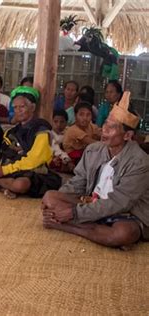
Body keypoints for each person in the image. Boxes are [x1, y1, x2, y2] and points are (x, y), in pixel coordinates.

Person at [42, 92, 149, 249]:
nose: (104, 130)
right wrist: (60, 203)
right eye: (105, 124)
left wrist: (74, 213)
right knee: (50, 197)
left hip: (127, 213)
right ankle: (95, 230)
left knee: (123, 233)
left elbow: (119, 202)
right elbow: (78, 182)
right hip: (92, 202)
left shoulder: (140, 162)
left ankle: (64, 225)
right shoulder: (93, 150)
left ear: (127, 135)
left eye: (112, 127)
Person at [0, 86, 62, 199]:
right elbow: (2, 154)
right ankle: (3, 186)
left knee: (20, 184)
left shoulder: (41, 130)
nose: (18, 111)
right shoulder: (11, 132)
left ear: (32, 107)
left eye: (22, 107)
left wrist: (3, 170)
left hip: (33, 172)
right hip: (10, 171)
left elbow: (34, 160)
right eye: (15, 108)